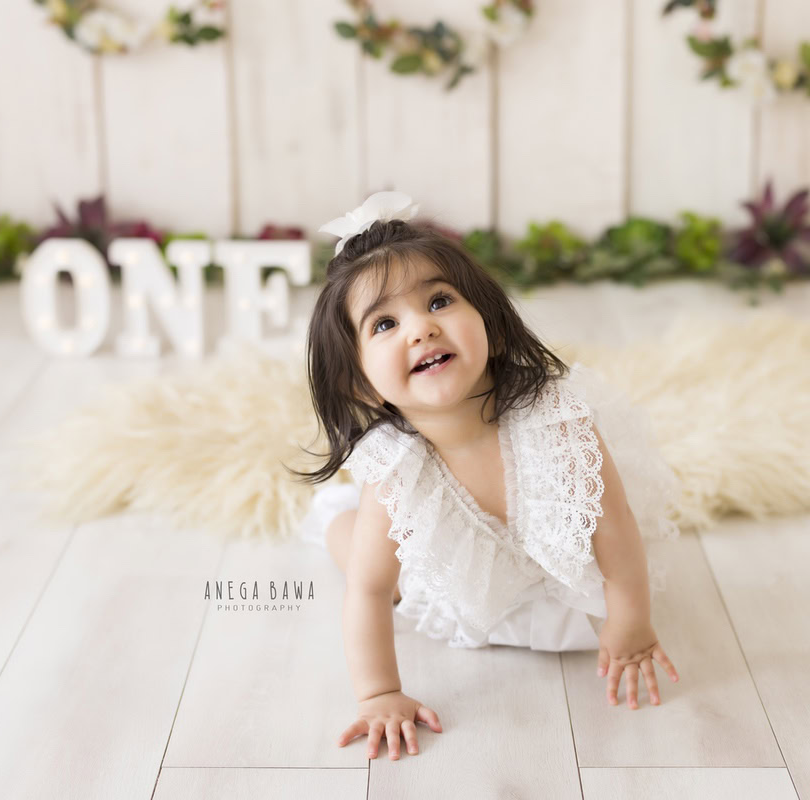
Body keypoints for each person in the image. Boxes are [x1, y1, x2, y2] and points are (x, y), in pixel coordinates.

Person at [289, 191, 684, 761]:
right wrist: (379, 694)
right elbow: (369, 592)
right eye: (385, 324)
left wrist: (631, 625)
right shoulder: (397, 470)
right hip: (455, 584)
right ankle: (336, 521)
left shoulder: (556, 420)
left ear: (493, 328)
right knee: (370, 562)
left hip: (554, 580)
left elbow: (615, 528)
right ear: (362, 385)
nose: (421, 330)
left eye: (439, 301)